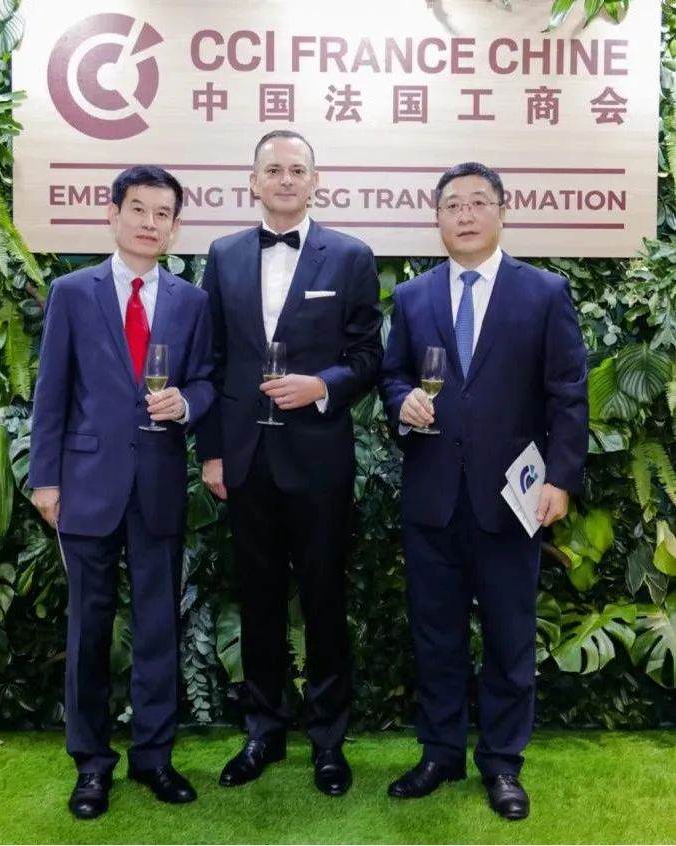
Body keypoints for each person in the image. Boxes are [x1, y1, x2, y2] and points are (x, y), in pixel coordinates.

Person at [380, 162, 588, 820]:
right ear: (437, 217)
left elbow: (567, 393)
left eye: (477, 203)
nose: (464, 215)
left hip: (512, 500)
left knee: (508, 637)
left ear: (502, 210)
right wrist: (401, 401)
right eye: (452, 205)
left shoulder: (544, 292)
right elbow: (390, 376)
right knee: (435, 636)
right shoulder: (412, 298)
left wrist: (560, 478)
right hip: (432, 497)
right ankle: (440, 753)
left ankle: (501, 763)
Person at [196, 130, 382, 796]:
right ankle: (263, 731)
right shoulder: (222, 255)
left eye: (296, 169)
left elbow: (368, 356)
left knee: (325, 598)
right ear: (253, 181)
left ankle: (328, 741)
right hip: (244, 459)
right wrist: (212, 452)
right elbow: (211, 360)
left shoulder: (351, 256)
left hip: (318, 457)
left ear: (314, 181)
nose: (284, 179)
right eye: (272, 169)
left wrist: (321, 386)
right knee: (257, 600)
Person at [29, 165, 215, 819]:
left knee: (159, 625)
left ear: (174, 227)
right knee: (89, 630)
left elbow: (206, 381)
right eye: (138, 209)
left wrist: (185, 403)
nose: (149, 223)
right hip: (85, 485)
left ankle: (154, 757)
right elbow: (51, 391)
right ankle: (90, 764)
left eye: (162, 214)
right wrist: (45, 478)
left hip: (158, 486)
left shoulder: (191, 302)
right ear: (112, 214)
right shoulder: (72, 293)